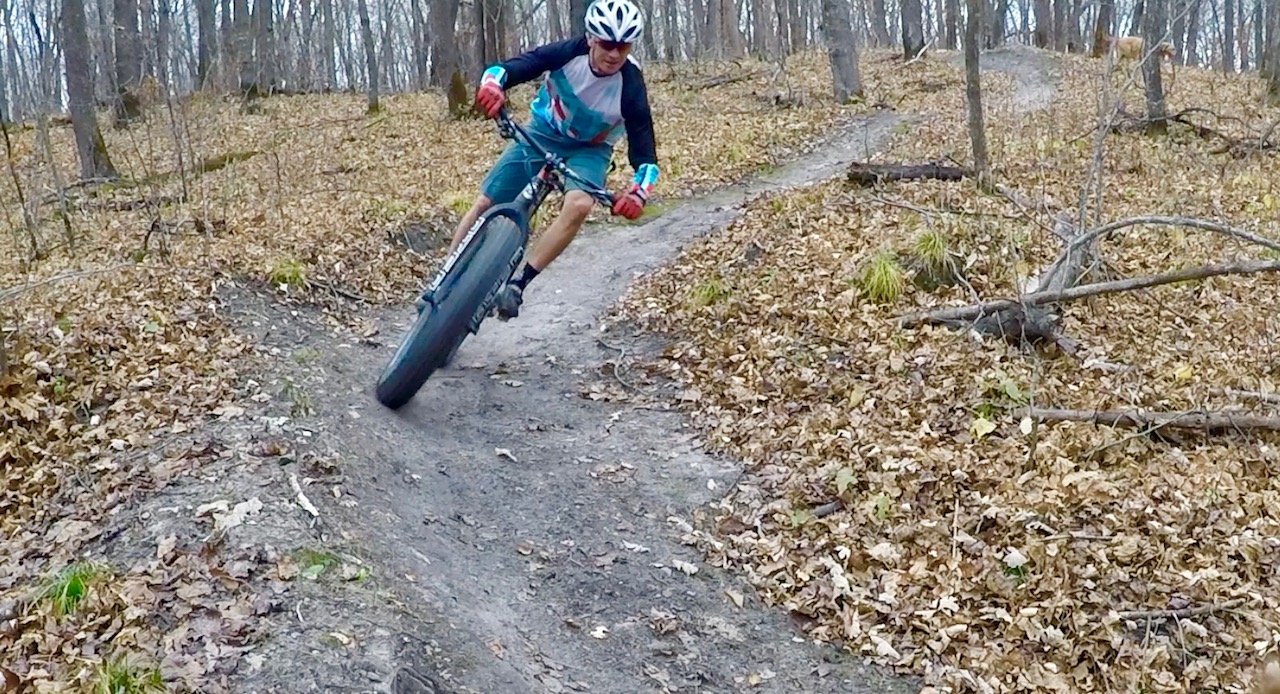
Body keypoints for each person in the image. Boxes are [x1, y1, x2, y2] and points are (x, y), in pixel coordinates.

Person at [446, 0, 660, 321]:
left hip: (590, 149)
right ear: (590, 38)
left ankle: (519, 284)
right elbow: (511, 68)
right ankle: (446, 277)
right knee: (485, 202)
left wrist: (638, 193)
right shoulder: (567, 52)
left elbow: (646, 153)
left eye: (624, 46)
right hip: (544, 131)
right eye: (607, 43)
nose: (615, 54)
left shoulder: (630, 84)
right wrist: (492, 85)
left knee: (579, 205)